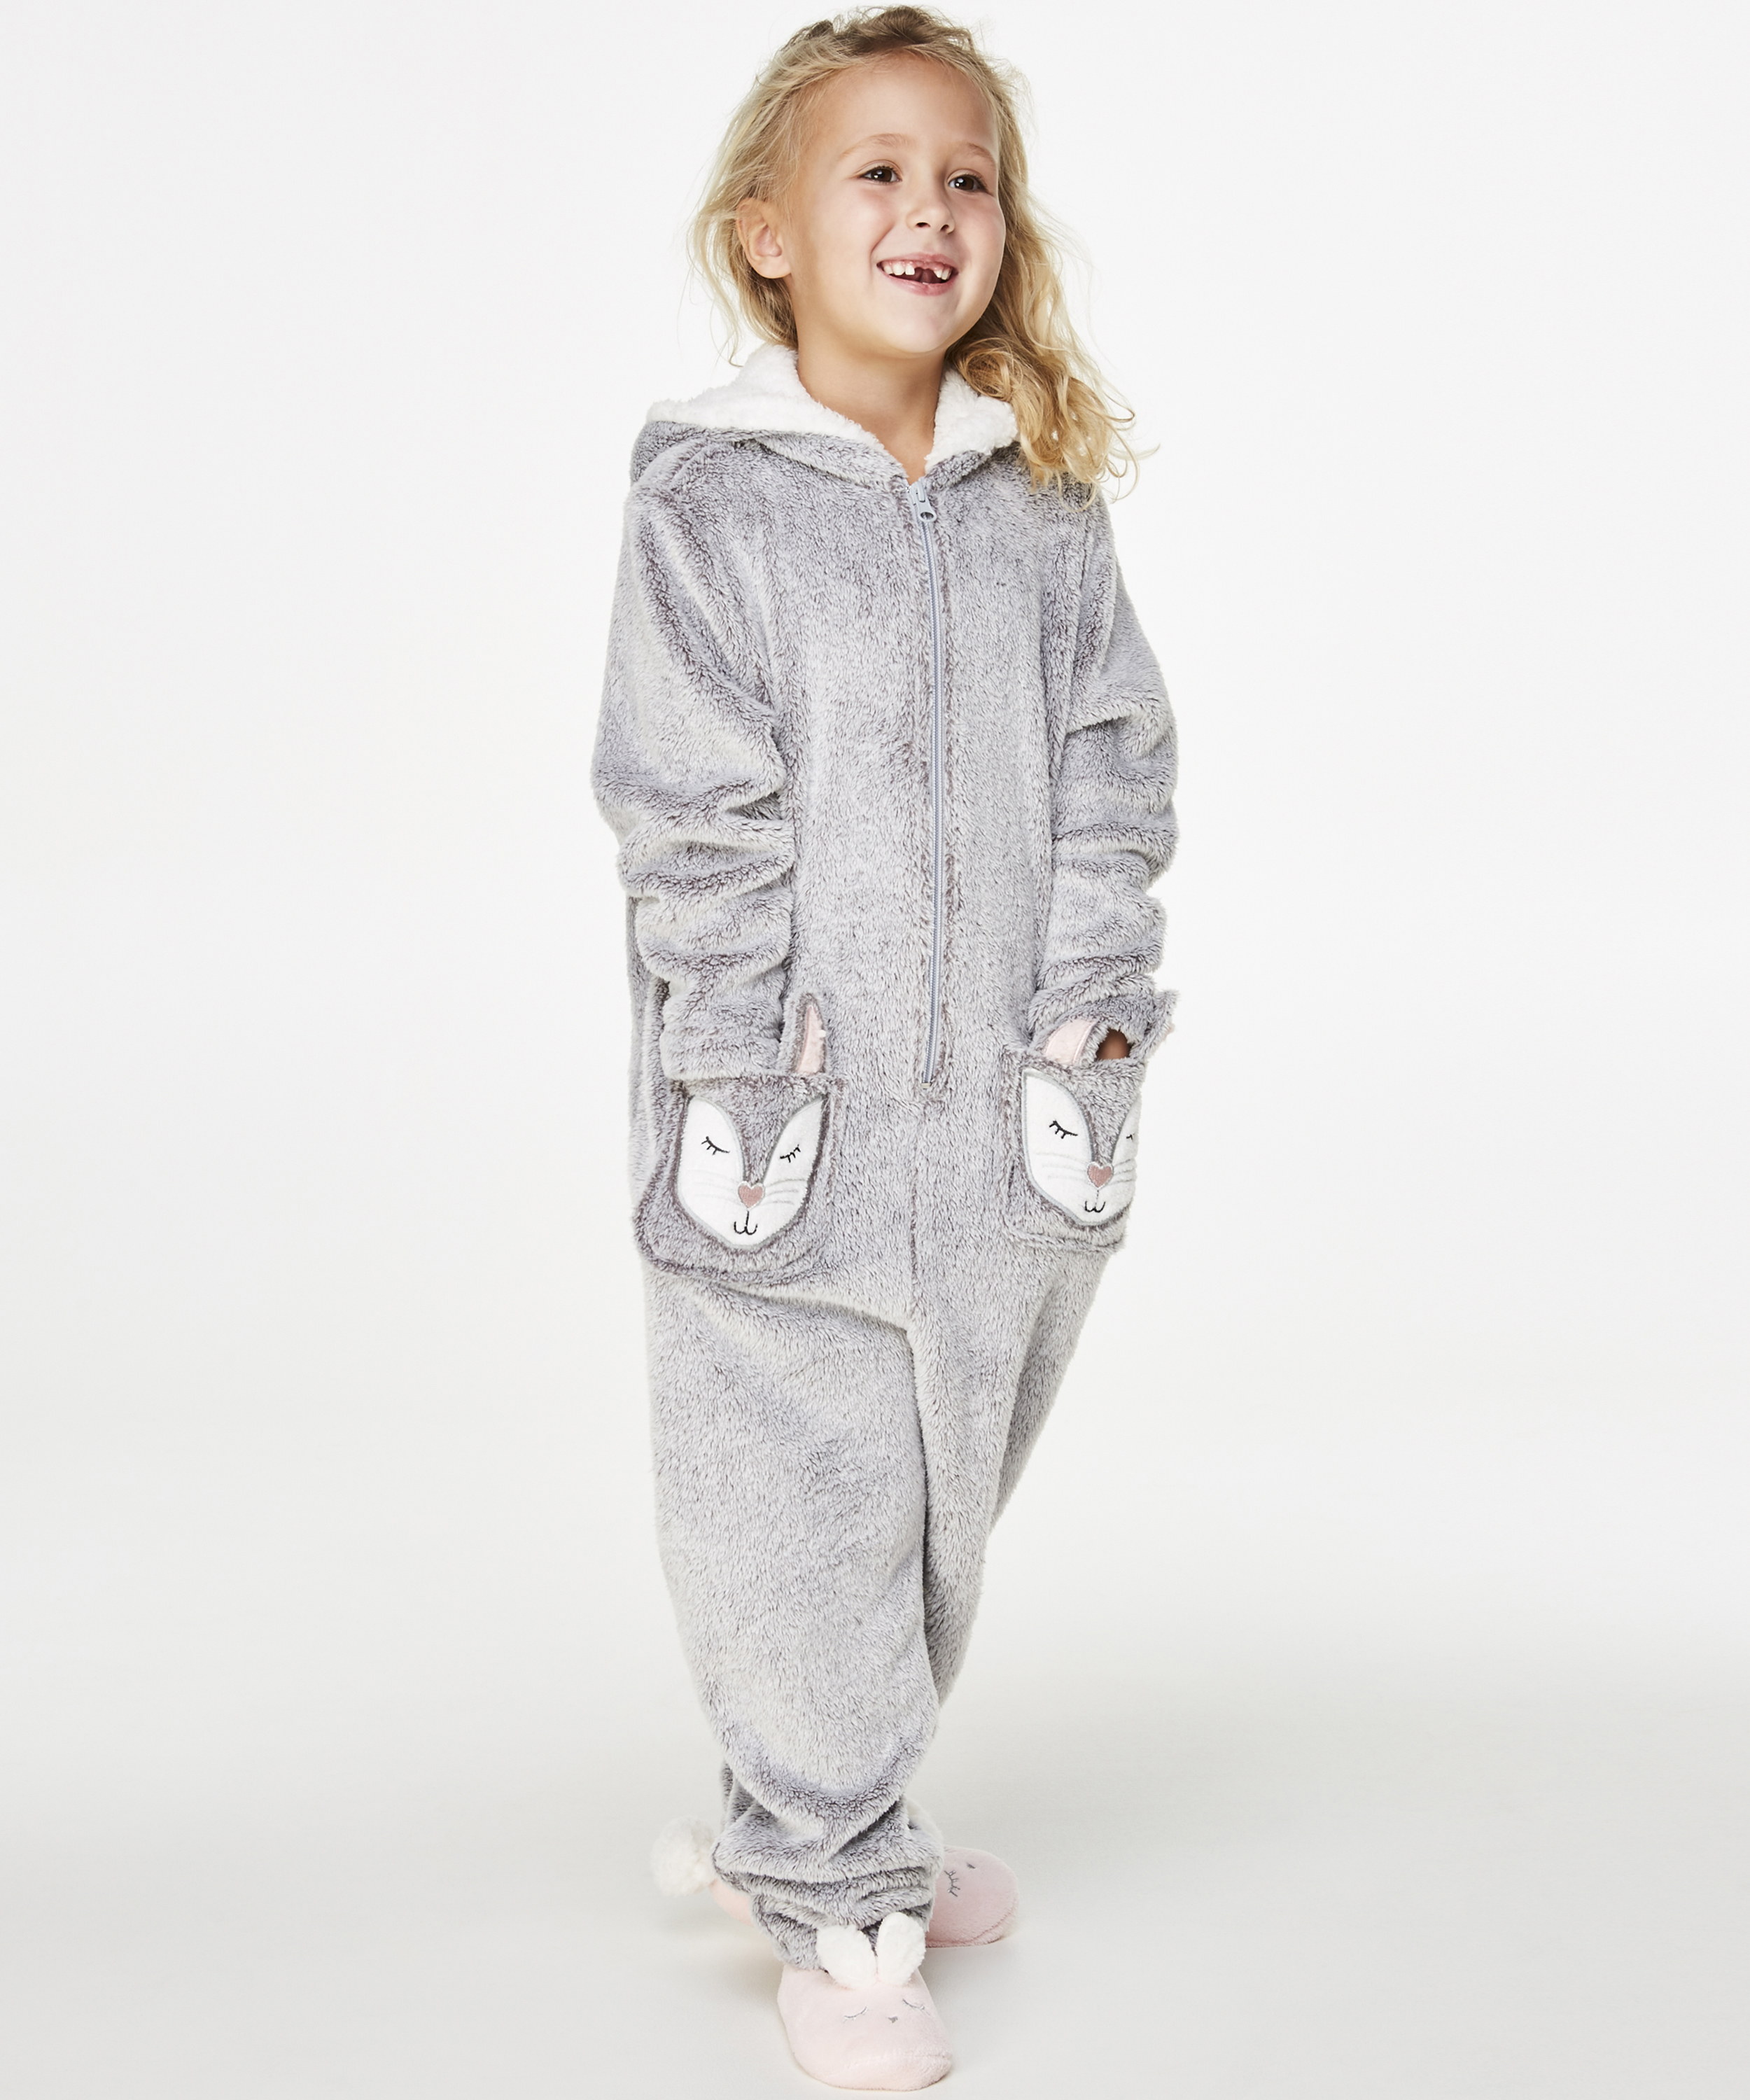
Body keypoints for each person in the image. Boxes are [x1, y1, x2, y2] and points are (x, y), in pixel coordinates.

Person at [592, 8, 1177, 2086]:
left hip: (1017, 1112)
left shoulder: (1042, 503)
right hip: (791, 1114)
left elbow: (1115, 763)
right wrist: (739, 1066)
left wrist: (1093, 1016)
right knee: (788, 1498)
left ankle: (835, 1815)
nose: (932, 208)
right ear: (766, 232)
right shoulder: (712, 502)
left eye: (969, 177)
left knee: (936, 1490)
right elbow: (689, 807)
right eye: (879, 170)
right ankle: (832, 1878)